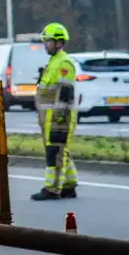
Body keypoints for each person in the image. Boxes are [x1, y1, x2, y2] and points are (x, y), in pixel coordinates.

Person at [32, 22, 78, 201]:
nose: (45, 44)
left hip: (59, 117)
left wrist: (59, 117)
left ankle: (52, 189)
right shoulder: (53, 62)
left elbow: (65, 93)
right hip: (50, 117)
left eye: (48, 41)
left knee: (55, 153)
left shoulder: (64, 63)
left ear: (59, 42)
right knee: (60, 151)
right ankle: (68, 185)